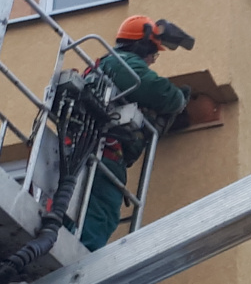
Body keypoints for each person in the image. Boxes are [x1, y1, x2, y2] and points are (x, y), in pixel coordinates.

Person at [79, 15, 193, 251]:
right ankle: (76, 263)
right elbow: (156, 89)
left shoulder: (103, 68)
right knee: (100, 214)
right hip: (101, 155)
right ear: (142, 46)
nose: (152, 60)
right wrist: (179, 100)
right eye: (153, 53)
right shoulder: (121, 62)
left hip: (84, 152)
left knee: (80, 211)